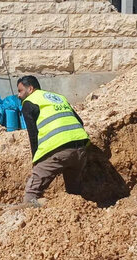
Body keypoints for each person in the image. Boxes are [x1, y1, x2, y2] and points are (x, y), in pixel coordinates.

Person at [17, 75, 90, 203]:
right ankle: (77, 213)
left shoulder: (29, 102)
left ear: (30, 89)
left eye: (20, 91)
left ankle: (29, 218)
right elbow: (79, 121)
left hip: (58, 149)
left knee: (32, 193)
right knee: (74, 193)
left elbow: (33, 134)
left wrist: (36, 160)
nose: (18, 95)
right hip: (81, 149)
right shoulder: (59, 98)